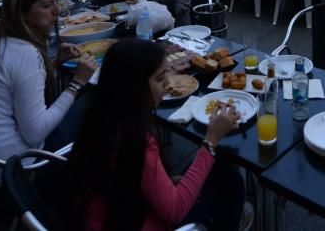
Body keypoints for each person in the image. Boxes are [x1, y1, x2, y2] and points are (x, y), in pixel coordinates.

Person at [68, 39, 248, 231]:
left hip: (110, 214)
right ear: (135, 86)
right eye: (160, 78)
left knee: (220, 169)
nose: (168, 84)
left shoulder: (101, 117)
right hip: (140, 222)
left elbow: (127, 180)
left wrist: (165, 183)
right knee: (231, 183)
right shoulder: (134, 140)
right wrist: (211, 140)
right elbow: (175, 210)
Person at [0, 0, 98, 188]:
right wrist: (76, 83)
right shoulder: (24, 53)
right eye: (47, 5)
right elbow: (35, 132)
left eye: (56, 2)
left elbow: (14, 85)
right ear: (22, 12)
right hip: (18, 175)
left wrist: (54, 63)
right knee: (98, 97)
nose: (57, 11)